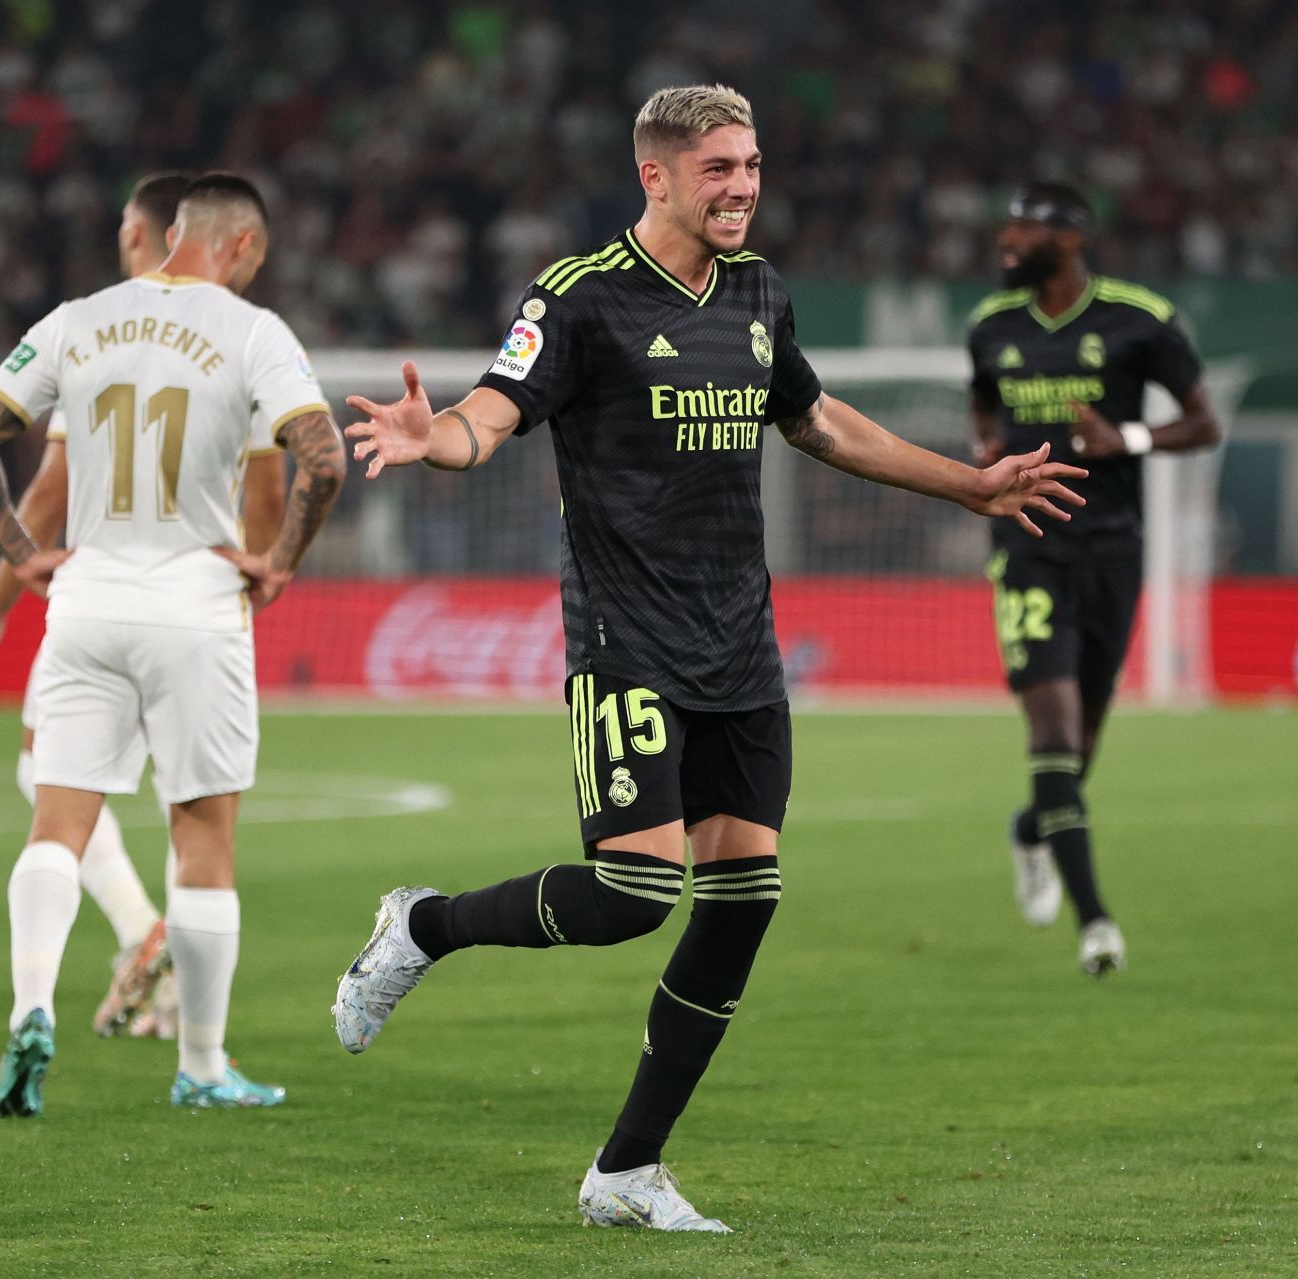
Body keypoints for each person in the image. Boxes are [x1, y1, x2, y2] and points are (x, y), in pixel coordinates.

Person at [333, 85, 1088, 1232]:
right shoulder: (579, 299)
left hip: (741, 644)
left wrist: (970, 482)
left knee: (742, 904)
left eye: (751, 165)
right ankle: (422, 926)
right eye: (719, 169)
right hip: (626, 642)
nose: (742, 186)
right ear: (658, 177)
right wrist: (428, 437)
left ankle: (626, 1168)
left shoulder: (757, 291)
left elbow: (820, 421)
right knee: (635, 893)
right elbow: (490, 412)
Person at [0, 173, 345, 1115]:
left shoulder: (78, 318)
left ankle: (31, 1007)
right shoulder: (254, 331)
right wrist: (280, 560)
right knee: (200, 836)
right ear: (241, 246)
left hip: (84, 602)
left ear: (168, 234)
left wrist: (23, 556)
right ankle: (202, 1065)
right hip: (196, 607)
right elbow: (320, 457)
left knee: (56, 821)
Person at [967, 181, 1223, 974]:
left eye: (1023, 228)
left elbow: (1204, 422)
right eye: (1005, 226)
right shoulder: (990, 328)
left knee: (1076, 755)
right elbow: (983, 410)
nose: (1006, 239)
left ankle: (1031, 831)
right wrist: (988, 459)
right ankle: (1097, 923)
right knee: (1048, 733)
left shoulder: (1138, 319)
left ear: (1070, 239)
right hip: (1029, 552)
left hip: (1113, 552)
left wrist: (1130, 438)